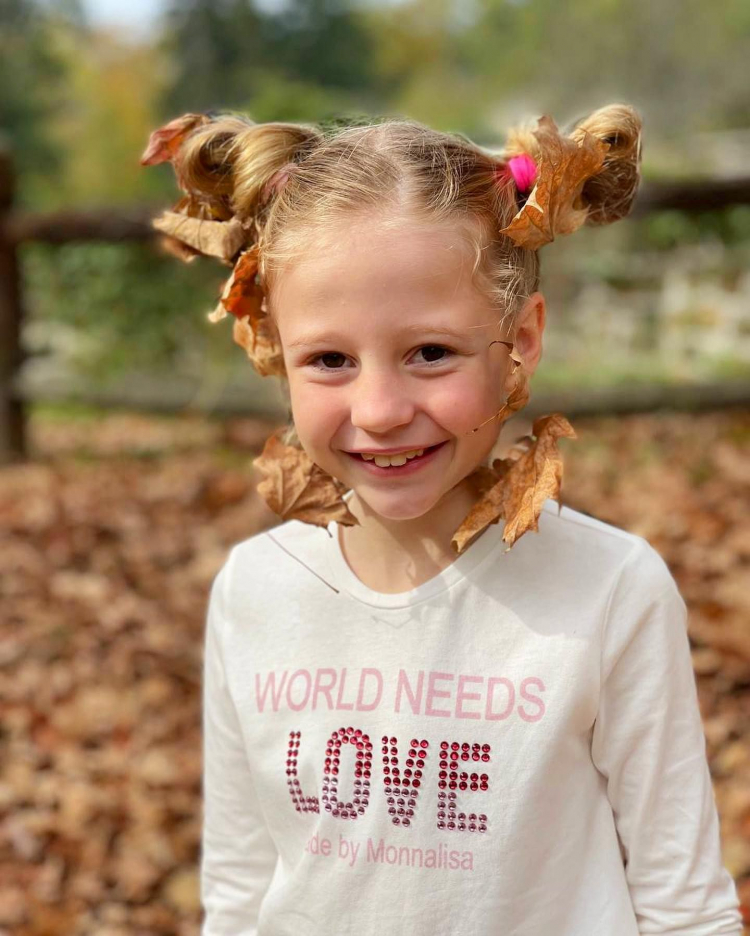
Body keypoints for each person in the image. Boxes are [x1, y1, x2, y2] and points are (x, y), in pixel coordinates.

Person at [142, 104, 744, 935]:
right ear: (272, 347)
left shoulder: (609, 592)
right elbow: (242, 896)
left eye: (429, 353)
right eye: (329, 359)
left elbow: (685, 908)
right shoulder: (256, 591)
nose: (380, 410)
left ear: (520, 340)